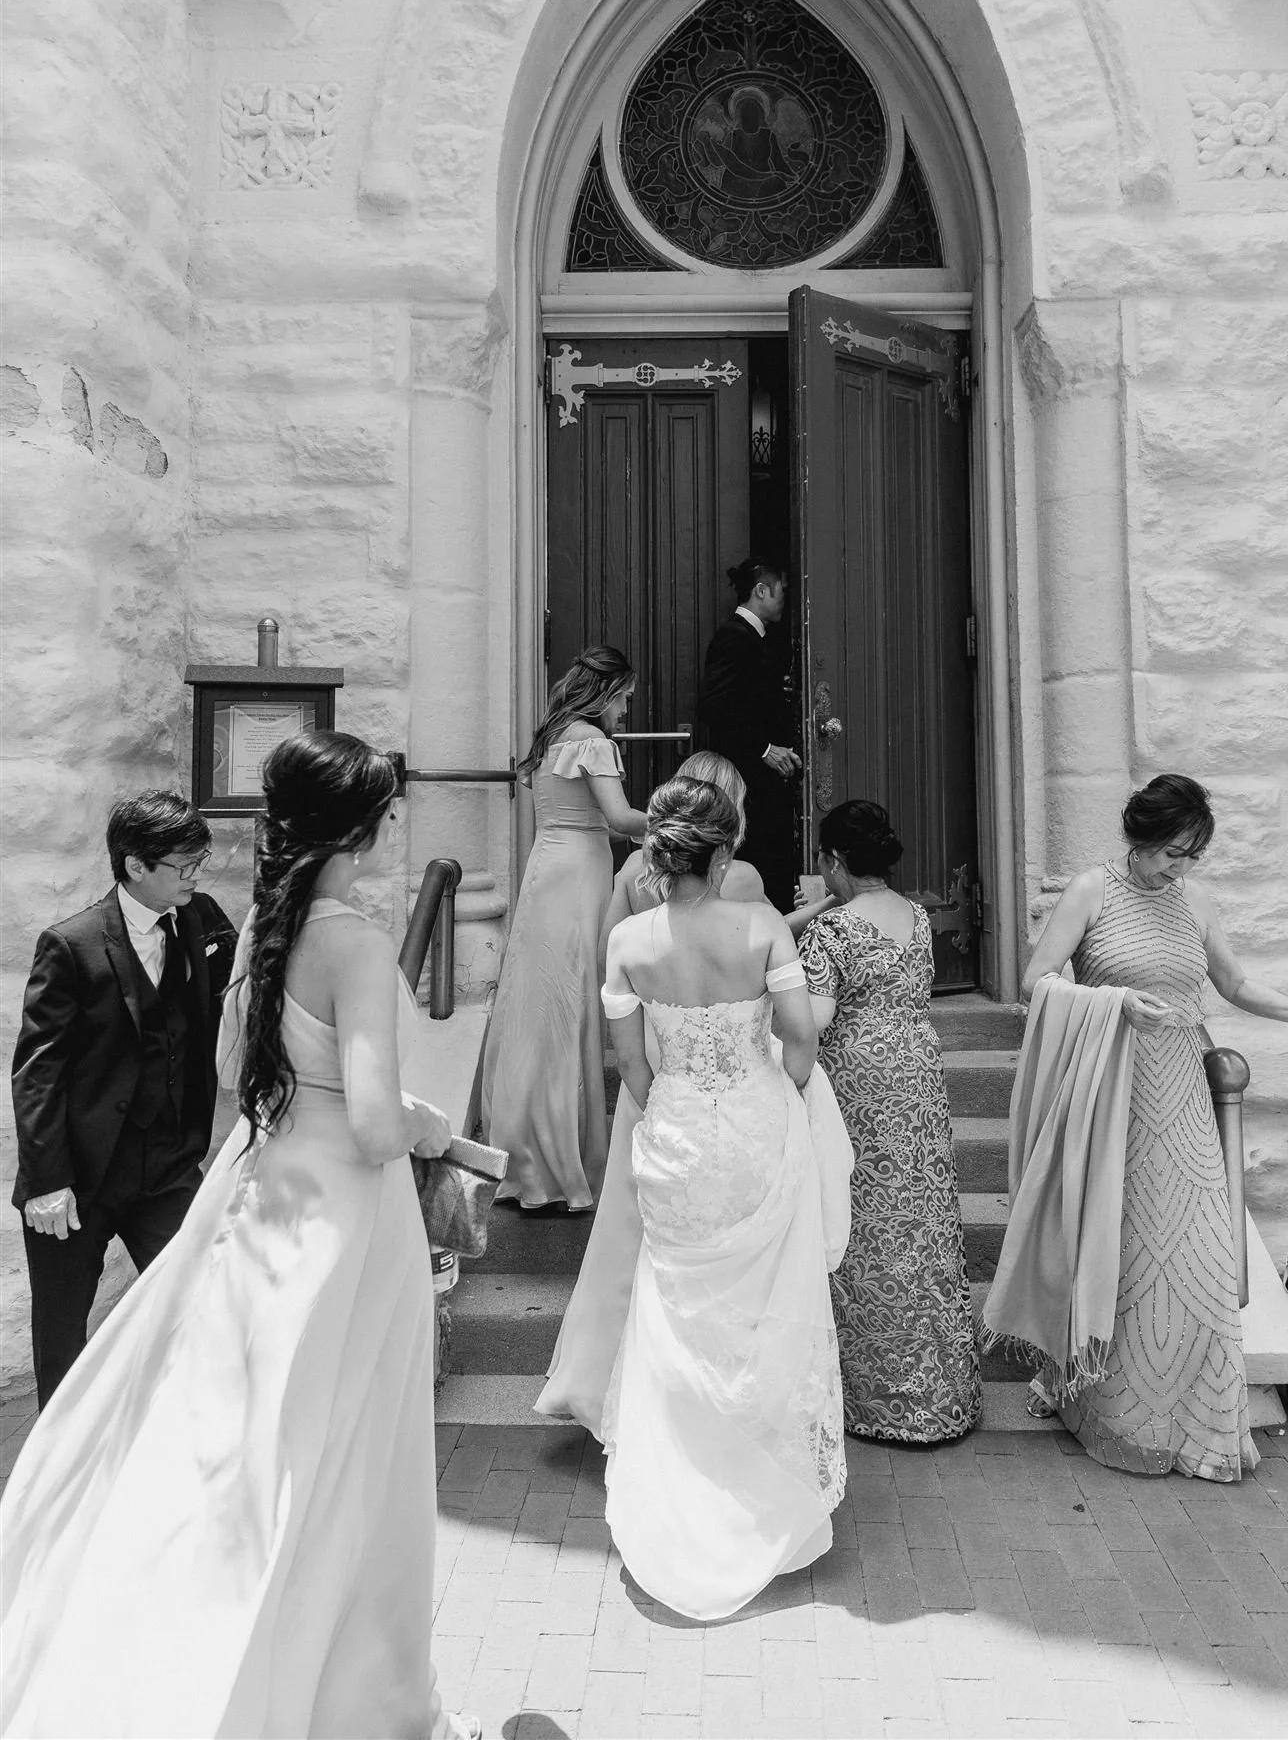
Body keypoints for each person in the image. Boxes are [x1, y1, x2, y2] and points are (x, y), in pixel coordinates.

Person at [0, 732, 476, 1740]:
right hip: (343, 1216)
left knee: (255, 1444)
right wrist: (430, 1126)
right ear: (362, 829)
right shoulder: (352, 940)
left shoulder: (265, 921)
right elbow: (377, 1125)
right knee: (346, 1455)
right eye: (386, 810)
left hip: (261, 1196)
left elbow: (233, 1074)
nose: (394, 823)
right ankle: (341, 1696)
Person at [1019, 772, 1288, 1481]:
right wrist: (1113, 1001)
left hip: (1182, 1091)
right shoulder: (1090, 890)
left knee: (1202, 1258)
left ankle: (1198, 1422)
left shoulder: (1195, 901)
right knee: (1121, 1252)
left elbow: (1234, 985)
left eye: (1193, 855)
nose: (1182, 868)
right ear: (1137, 837)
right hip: (1113, 1091)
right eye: (1172, 853)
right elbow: (1037, 980)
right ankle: (1099, 1402)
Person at [599, 777, 846, 1621]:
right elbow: (800, 1035)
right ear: (725, 852)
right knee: (765, 1311)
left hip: (675, 1134)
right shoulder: (763, 926)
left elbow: (630, 1065)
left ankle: (684, 1497)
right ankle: (762, 1498)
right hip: (755, 1127)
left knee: (678, 1313)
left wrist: (669, 1103)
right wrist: (787, 1093)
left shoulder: (627, 940)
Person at [536, 753, 765, 1433]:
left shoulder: (635, 871)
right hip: (717, 1075)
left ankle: (603, 1380)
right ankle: (699, 1390)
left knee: (626, 1227)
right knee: (708, 1231)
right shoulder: (742, 879)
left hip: (651, 1063)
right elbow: (756, 963)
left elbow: (609, 952)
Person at [11, 791, 238, 1408]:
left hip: (168, 1165)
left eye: (200, 862)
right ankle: (59, 1462)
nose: (196, 875)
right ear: (136, 865)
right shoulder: (71, 944)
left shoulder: (202, 918)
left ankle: (186, 1439)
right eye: (184, 865)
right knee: (62, 1338)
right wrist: (47, 1181)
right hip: (79, 1177)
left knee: (206, 1304)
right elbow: (38, 1071)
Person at [796, 801, 981, 1444]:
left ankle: (876, 1400)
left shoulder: (831, 931)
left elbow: (814, 1021)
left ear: (834, 861)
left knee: (863, 1222)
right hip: (918, 1076)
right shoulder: (919, 916)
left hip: (861, 1084)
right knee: (921, 1222)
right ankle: (939, 1394)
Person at [481, 646, 647, 1209]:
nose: (625, 710)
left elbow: (576, 813)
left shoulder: (551, 736)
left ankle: (522, 1147)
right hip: (579, 874)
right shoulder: (592, 740)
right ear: (607, 692)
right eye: (624, 698)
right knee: (572, 1000)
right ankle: (562, 1156)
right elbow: (620, 819)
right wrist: (684, 818)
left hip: (545, 868)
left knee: (535, 1003)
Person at [695, 556, 801, 911]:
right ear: (761, 591)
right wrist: (764, 749)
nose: (785, 598)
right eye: (781, 591)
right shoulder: (735, 637)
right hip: (746, 775)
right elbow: (715, 706)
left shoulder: (753, 638)